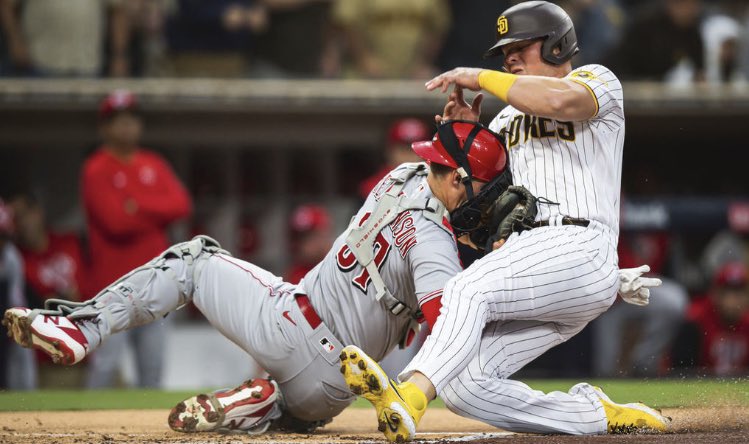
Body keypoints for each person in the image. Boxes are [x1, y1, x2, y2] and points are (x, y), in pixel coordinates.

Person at [2, 120, 513, 434]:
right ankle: (276, 409)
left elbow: (449, 181)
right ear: (459, 182)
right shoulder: (435, 246)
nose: (424, 163)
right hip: (331, 390)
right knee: (309, 412)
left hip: (290, 322)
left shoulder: (396, 178)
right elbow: (447, 328)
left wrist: (461, 127)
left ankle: (81, 329)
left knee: (193, 259)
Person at [338, 2, 670, 441]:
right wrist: (465, 139)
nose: (509, 58)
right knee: (462, 385)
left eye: (520, 47)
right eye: (504, 52)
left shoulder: (595, 80)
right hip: (541, 260)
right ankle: (593, 415)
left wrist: (480, 77)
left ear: (555, 45)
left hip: (580, 242)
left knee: (466, 289)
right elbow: (482, 205)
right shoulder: (507, 118)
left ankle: (410, 395)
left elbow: (559, 101)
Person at [81, 89, 192, 389]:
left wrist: (137, 205)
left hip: (154, 284)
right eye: (118, 120)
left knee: (152, 370)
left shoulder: (153, 162)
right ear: (104, 127)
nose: (127, 125)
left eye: (132, 118)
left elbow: (181, 205)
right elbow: (116, 223)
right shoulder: (96, 168)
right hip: (111, 287)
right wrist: (155, 213)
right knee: (105, 366)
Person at [671, 261, 749, 376]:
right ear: (715, 293)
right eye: (726, 292)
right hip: (699, 387)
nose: (732, 300)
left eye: (738, 293)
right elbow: (682, 370)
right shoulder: (696, 320)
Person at [358, 118, 431, 201]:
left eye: (415, 150)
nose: (409, 156)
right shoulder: (372, 187)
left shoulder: (437, 186)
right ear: (389, 151)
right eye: (403, 149)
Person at [284, 204, 334, 284]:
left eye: (311, 236)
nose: (304, 244)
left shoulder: (338, 269)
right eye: (300, 238)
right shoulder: (296, 275)